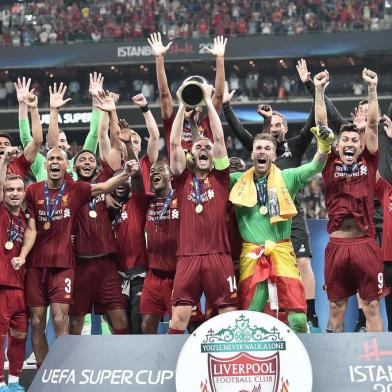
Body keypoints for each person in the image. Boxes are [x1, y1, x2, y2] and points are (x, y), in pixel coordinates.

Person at [12, 147, 139, 367]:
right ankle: (46, 374)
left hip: (64, 266)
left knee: (61, 319)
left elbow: (105, 186)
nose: (54, 161)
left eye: (59, 158)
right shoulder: (32, 190)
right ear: (45, 165)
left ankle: (65, 370)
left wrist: (126, 173)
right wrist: (23, 255)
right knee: (37, 322)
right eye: (50, 158)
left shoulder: (76, 188)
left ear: (65, 165)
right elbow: (29, 226)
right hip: (35, 266)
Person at [229, 72, 333, 332]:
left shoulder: (287, 177)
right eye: (258, 149)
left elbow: (316, 165)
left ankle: (304, 362)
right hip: (251, 253)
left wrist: (325, 145)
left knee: (297, 317)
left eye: (267, 149)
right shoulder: (237, 180)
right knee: (251, 313)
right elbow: (213, 166)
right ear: (251, 153)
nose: (262, 152)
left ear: (274, 155)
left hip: (282, 250)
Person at [318, 68, 388, 332]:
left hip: (366, 245)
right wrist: (319, 91)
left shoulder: (368, 162)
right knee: (336, 308)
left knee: (371, 307)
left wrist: (372, 89)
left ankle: (377, 366)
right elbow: (322, 127)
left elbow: (371, 125)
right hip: (336, 246)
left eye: (354, 140)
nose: (349, 143)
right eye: (344, 139)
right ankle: (333, 366)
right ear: (337, 146)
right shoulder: (328, 163)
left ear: (361, 147)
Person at [168, 83, 238, 334]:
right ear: (191, 156)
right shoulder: (181, 179)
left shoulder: (220, 177)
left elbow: (218, 138)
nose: (205, 148)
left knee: (228, 316)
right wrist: (181, 106)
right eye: (198, 147)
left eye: (207, 147)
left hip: (219, 255)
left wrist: (208, 100)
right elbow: (175, 143)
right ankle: (170, 368)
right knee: (179, 318)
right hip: (187, 256)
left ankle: (229, 369)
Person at [69, 90, 128, 335]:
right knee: (74, 323)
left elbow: (113, 143)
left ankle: (124, 366)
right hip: (80, 264)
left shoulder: (105, 178)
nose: (86, 162)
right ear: (74, 168)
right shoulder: (69, 188)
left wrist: (110, 112)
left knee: (120, 321)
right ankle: (70, 368)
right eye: (81, 160)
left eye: (90, 160)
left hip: (106, 263)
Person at [148, 32, 226, 153]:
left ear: (200, 108)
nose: (190, 107)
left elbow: (219, 95)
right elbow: (164, 94)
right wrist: (159, 57)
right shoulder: (172, 122)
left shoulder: (208, 123)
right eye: (188, 102)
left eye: (194, 103)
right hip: (178, 171)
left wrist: (220, 58)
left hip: (204, 170)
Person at [17, 74, 103, 181]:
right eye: (56, 140)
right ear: (47, 145)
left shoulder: (78, 163)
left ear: (67, 145)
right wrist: (22, 104)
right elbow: (26, 138)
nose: (58, 143)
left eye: (62, 140)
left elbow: (94, 134)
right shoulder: (40, 163)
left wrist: (96, 98)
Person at [0, 150, 30, 392]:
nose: (14, 193)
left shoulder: (24, 218)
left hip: (21, 286)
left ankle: (14, 383)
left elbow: (33, 233)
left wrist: (23, 256)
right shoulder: (0, 212)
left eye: (18, 190)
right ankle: (0, 383)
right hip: (1, 286)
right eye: (9, 190)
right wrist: (4, 162)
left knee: (20, 335)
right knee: (0, 337)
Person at [140, 161, 179, 333]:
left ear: (171, 176)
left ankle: (183, 359)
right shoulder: (146, 202)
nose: (155, 173)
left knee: (184, 324)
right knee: (147, 324)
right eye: (152, 171)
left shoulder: (183, 198)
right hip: (153, 275)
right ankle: (152, 360)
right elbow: (135, 181)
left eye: (160, 170)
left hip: (178, 274)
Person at [0, 89, 43, 180]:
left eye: (6, 144)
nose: (3, 146)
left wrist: (32, 108)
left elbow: (37, 142)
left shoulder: (19, 163)